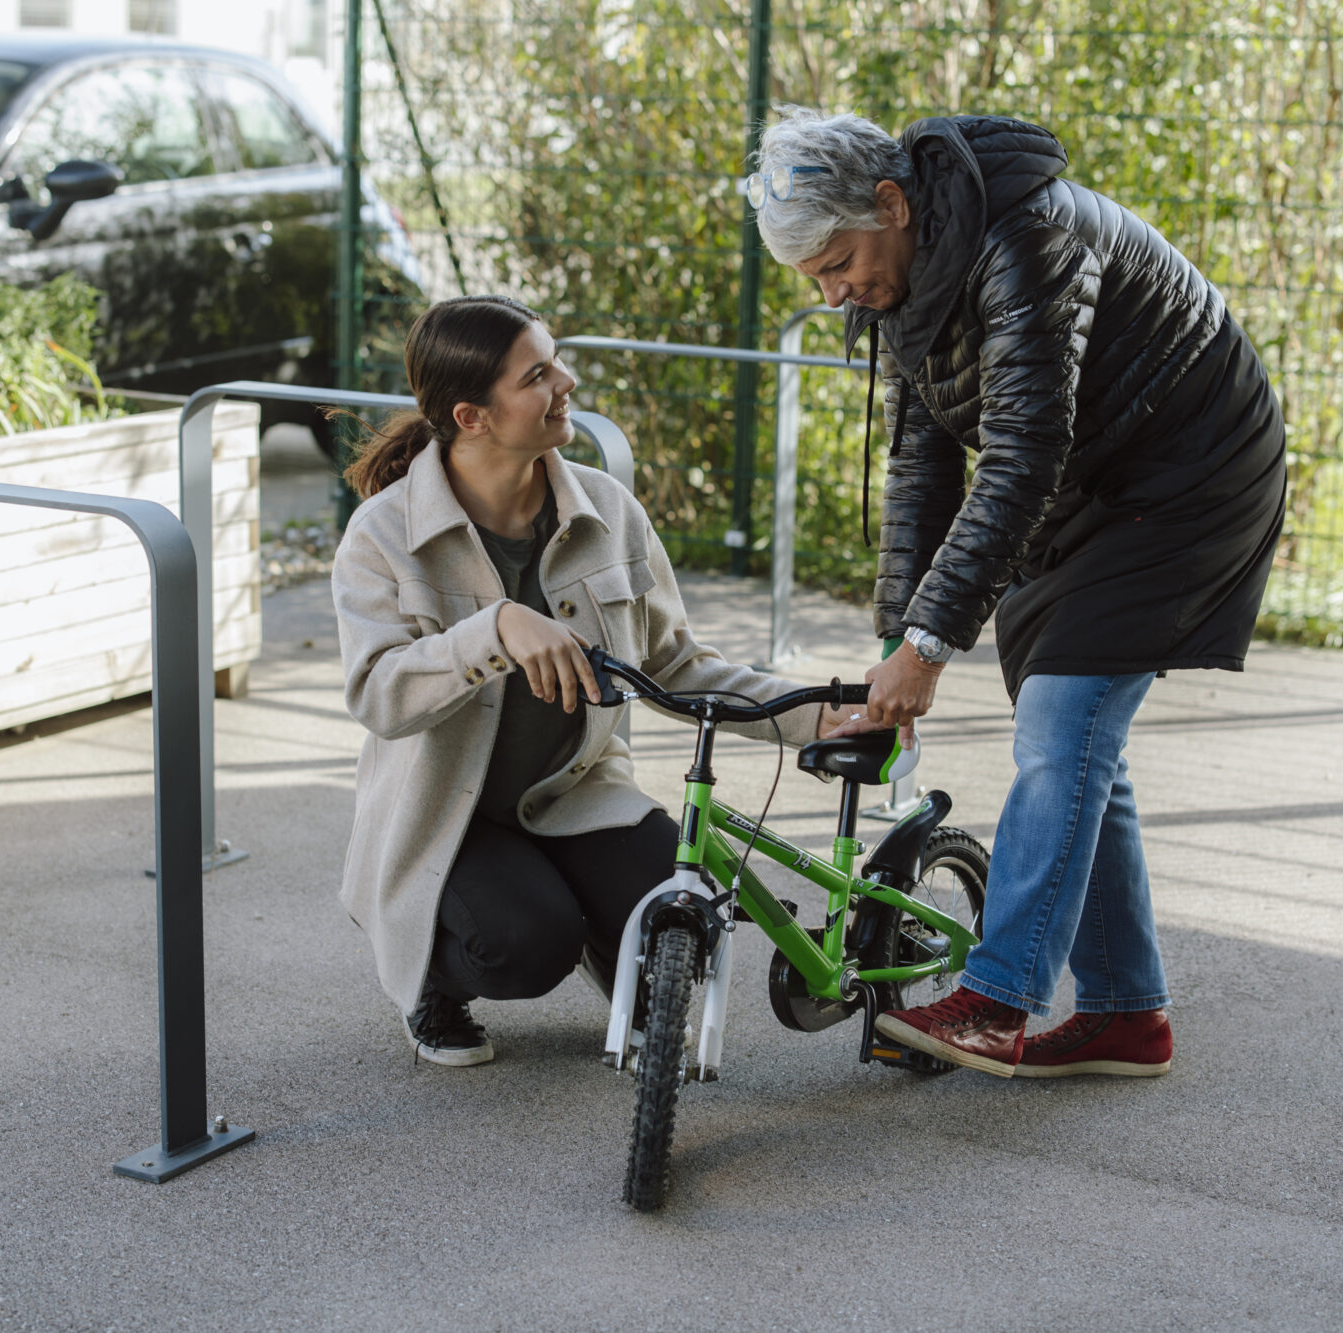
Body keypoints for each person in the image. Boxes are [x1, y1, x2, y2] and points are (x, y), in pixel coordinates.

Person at [748, 108, 1287, 1078]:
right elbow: (920, 471)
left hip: (1191, 470)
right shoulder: (905, 285)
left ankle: (996, 999)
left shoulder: (1027, 237)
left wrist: (930, 646)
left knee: (1060, 716)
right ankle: (1127, 1013)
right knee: (1078, 738)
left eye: (836, 263)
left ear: (888, 202)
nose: (834, 295)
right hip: (1095, 478)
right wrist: (892, 642)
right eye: (817, 281)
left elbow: (1021, 452)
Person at [331, 294, 854, 1066]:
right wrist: (496, 629)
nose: (566, 381)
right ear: (473, 416)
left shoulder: (608, 509)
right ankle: (434, 984)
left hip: (576, 793)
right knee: (526, 942)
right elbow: (378, 692)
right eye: (538, 374)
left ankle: (608, 944)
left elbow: (674, 662)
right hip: (447, 811)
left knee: (693, 908)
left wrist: (812, 715)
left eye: (556, 358)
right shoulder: (384, 533)